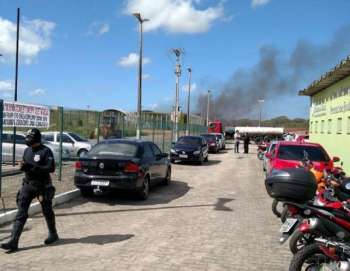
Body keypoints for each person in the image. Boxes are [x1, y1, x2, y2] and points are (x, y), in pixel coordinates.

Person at [1, 128, 58, 253]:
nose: (27, 140)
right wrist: (24, 167)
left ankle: (53, 234)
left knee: (47, 211)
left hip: (42, 186)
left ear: (36, 139)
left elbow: (51, 168)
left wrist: (32, 167)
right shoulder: (27, 150)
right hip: (28, 185)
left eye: (30, 138)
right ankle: (13, 242)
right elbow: (27, 166)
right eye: (27, 138)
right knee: (21, 213)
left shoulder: (46, 151)